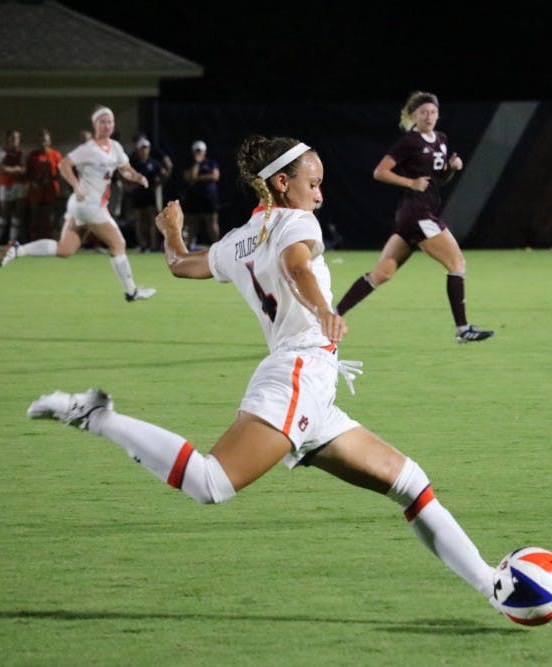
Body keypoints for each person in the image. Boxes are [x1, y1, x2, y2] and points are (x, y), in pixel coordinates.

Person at [25, 133, 499, 611]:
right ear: (282, 183)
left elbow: (180, 265)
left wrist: (171, 230)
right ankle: (96, 416)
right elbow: (297, 266)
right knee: (211, 483)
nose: (320, 195)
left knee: (411, 484)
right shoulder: (297, 222)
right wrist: (323, 309)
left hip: (309, 384)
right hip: (300, 373)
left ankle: (493, 585)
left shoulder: (238, 240)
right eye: (313, 183)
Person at [335, 91, 494, 344]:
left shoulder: (441, 139)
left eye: (433, 112)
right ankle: (463, 329)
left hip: (413, 216)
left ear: (438, 114)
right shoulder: (409, 141)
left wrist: (451, 169)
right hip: (418, 214)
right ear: (413, 115)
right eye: (423, 112)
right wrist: (410, 182)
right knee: (457, 264)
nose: (428, 116)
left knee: (382, 273)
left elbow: (438, 180)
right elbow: (380, 172)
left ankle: (332, 315)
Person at [0, 106, 157, 302]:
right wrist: (76, 185)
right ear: (95, 125)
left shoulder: (115, 147)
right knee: (119, 244)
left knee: (65, 249)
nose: (107, 125)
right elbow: (63, 165)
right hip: (89, 205)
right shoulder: (88, 148)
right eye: (102, 122)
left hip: (82, 207)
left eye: (110, 122)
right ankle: (131, 291)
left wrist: (138, 177)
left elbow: (124, 169)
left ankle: (18, 250)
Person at [128, 136, 170, 252]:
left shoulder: (154, 163)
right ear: (138, 150)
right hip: (138, 194)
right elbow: (127, 176)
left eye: (146, 148)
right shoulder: (133, 163)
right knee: (140, 220)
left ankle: (153, 244)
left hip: (150, 195)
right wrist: (130, 185)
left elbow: (163, 175)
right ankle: (142, 244)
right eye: (142, 148)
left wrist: (163, 177)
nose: (144, 150)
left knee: (152, 220)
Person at [0, 129, 27, 251]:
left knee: (17, 214)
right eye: (13, 138)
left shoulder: (22, 153)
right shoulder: (2, 152)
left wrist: (16, 170)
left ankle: (11, 244)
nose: (15, 141)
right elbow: (2, 168)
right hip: (6, 185)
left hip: (19, 184)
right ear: (8, 139)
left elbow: (24, 169)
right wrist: (14, 169)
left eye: (17, 138)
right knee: (4, 214)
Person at [181, 139, 220, 250]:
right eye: (197, 151)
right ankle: (188, 248)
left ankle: (218, 248)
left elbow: (215, 176)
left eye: (200, 151)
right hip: (194, 198)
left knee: (212, 223)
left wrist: (199, 178)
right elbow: (191, 177)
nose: (199, 153)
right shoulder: (189, 164)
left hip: (209, 198)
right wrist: (197, 164)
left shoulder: (211, 163)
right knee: (192, 224)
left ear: (205, 151)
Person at [25, 128, 63, 241]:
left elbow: (61, 172)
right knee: (35, 216)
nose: (43, 142)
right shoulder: (33, 155)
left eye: (45, 140)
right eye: (41, 140)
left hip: (51, 190)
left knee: (50, 216)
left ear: (49, 141)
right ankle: (34, 240)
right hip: (36, 191)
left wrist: (55, 179)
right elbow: (27, 173)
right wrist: (33, 183)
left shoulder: (56, 155)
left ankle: (49, 240)